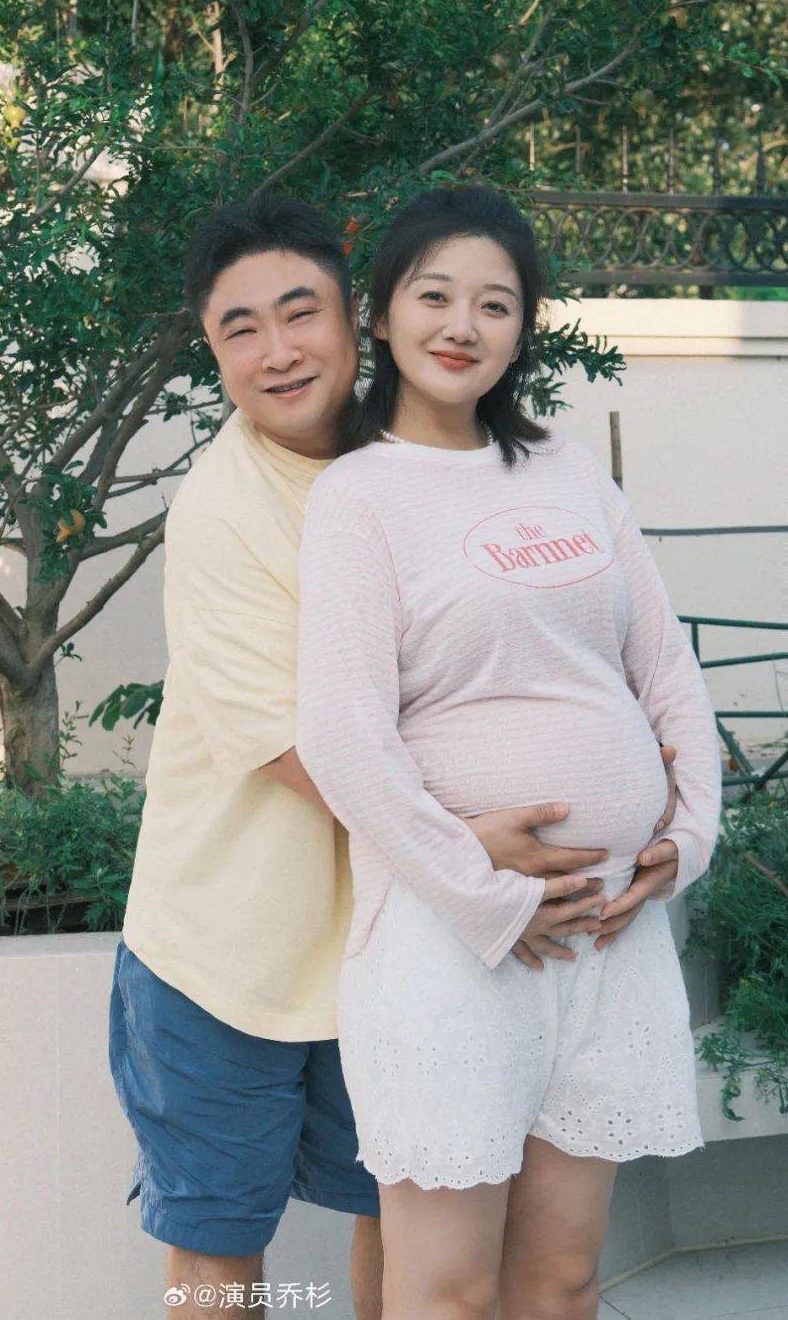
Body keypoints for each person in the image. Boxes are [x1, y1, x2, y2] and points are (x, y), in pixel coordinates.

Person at [108, 193, 681, 1320]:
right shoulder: (223, 510)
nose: (278, 352)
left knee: (392, 1228)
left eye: (300, 313)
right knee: (218, 1260)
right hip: (232, 950)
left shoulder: (427, 461)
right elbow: (295, 743)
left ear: (354, 317)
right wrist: (475, 851)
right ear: (212, 352)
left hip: (395, 944)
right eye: (239, 329)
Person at [295, 185, 723, 1320]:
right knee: (447, 1293)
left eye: (495, 304)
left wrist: (688, 837)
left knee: (564, 1280)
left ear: (523, 328)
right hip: (454, 946)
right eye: (434, 296)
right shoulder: (359, 496)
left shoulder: (571, 475)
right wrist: (486, 897)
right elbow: (342, 734)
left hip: (610, 942)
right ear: (381, 314)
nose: (462, 325)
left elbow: (666, 670)